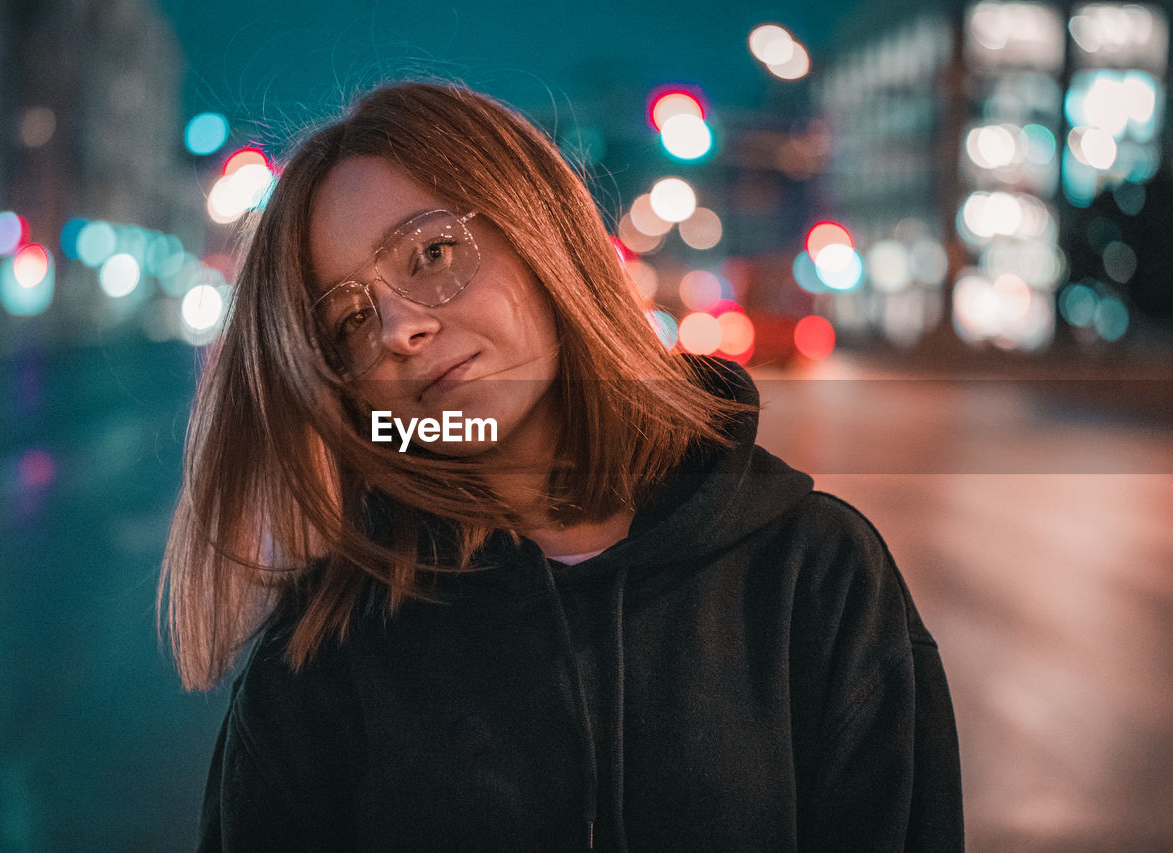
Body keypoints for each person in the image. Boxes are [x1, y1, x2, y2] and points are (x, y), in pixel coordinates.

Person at [161, 81, 963, 851]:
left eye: (432, 252)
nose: (401, 326)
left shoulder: (814, 579)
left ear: (540, 230)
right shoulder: (323, 658)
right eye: (348, 320)